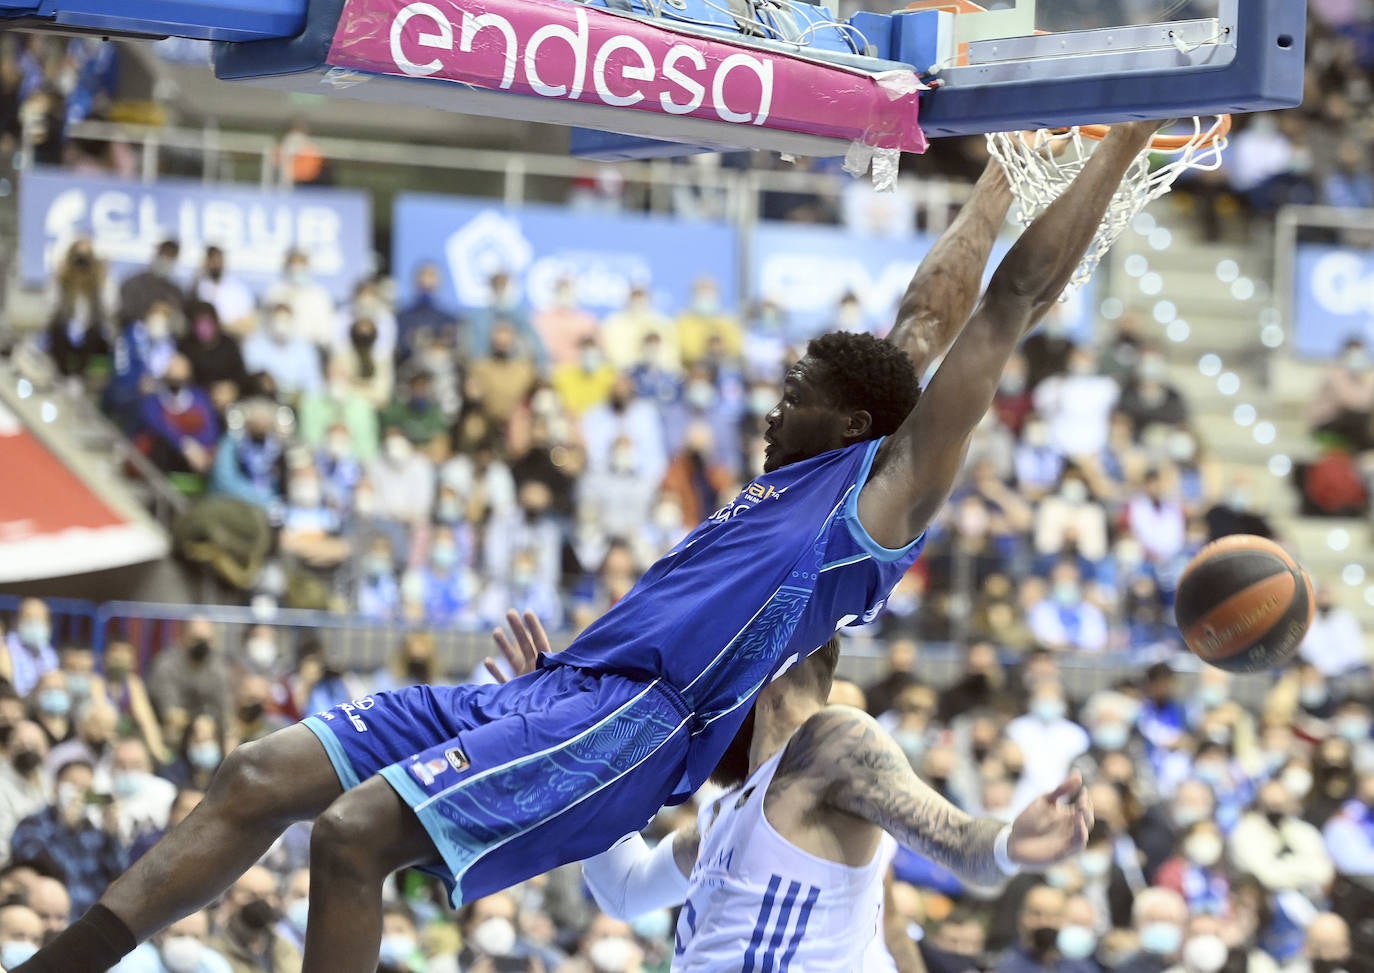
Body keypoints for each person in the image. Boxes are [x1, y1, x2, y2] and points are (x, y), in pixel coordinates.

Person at [16, 121, 1163, 973]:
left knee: (354, 839)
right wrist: (1007, 169)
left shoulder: (872, 509)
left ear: (857, 424)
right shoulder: (796, 471)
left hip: (629, 723)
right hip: (559, 685)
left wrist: (1126, 132)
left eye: (797, 391)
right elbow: (926, 310)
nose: (773, 404)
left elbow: (1003, 304)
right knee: (258, 774)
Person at [486, 616, 1087, 973]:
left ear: (760, 665)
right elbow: (623, 891)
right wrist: (560, 737)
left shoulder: (833, 741)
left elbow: (962, 843)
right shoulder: (729, 809)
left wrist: (1012, 842)